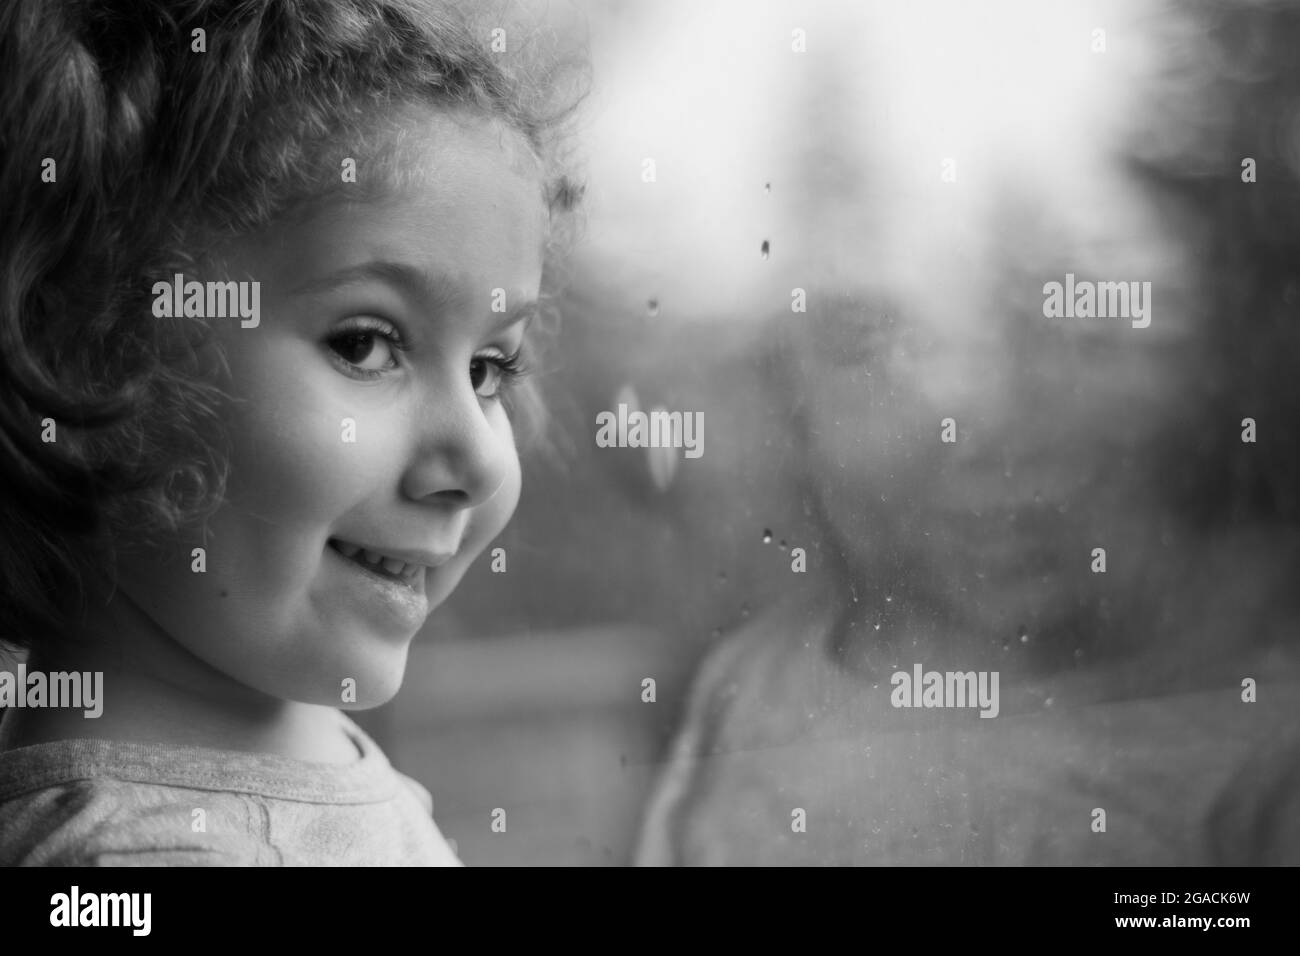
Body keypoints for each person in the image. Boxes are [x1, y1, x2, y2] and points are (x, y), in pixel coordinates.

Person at [634, 0, 1300, 866]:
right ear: (796, 420)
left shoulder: (1252, 716)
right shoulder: (750, 714)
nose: (993, 431)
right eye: (881, 345)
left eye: (1078, 332)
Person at [0, 0, 583, 865]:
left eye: (489, 369)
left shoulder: (289, 761)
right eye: (365, 345)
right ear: (84, 348)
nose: (477, 460)